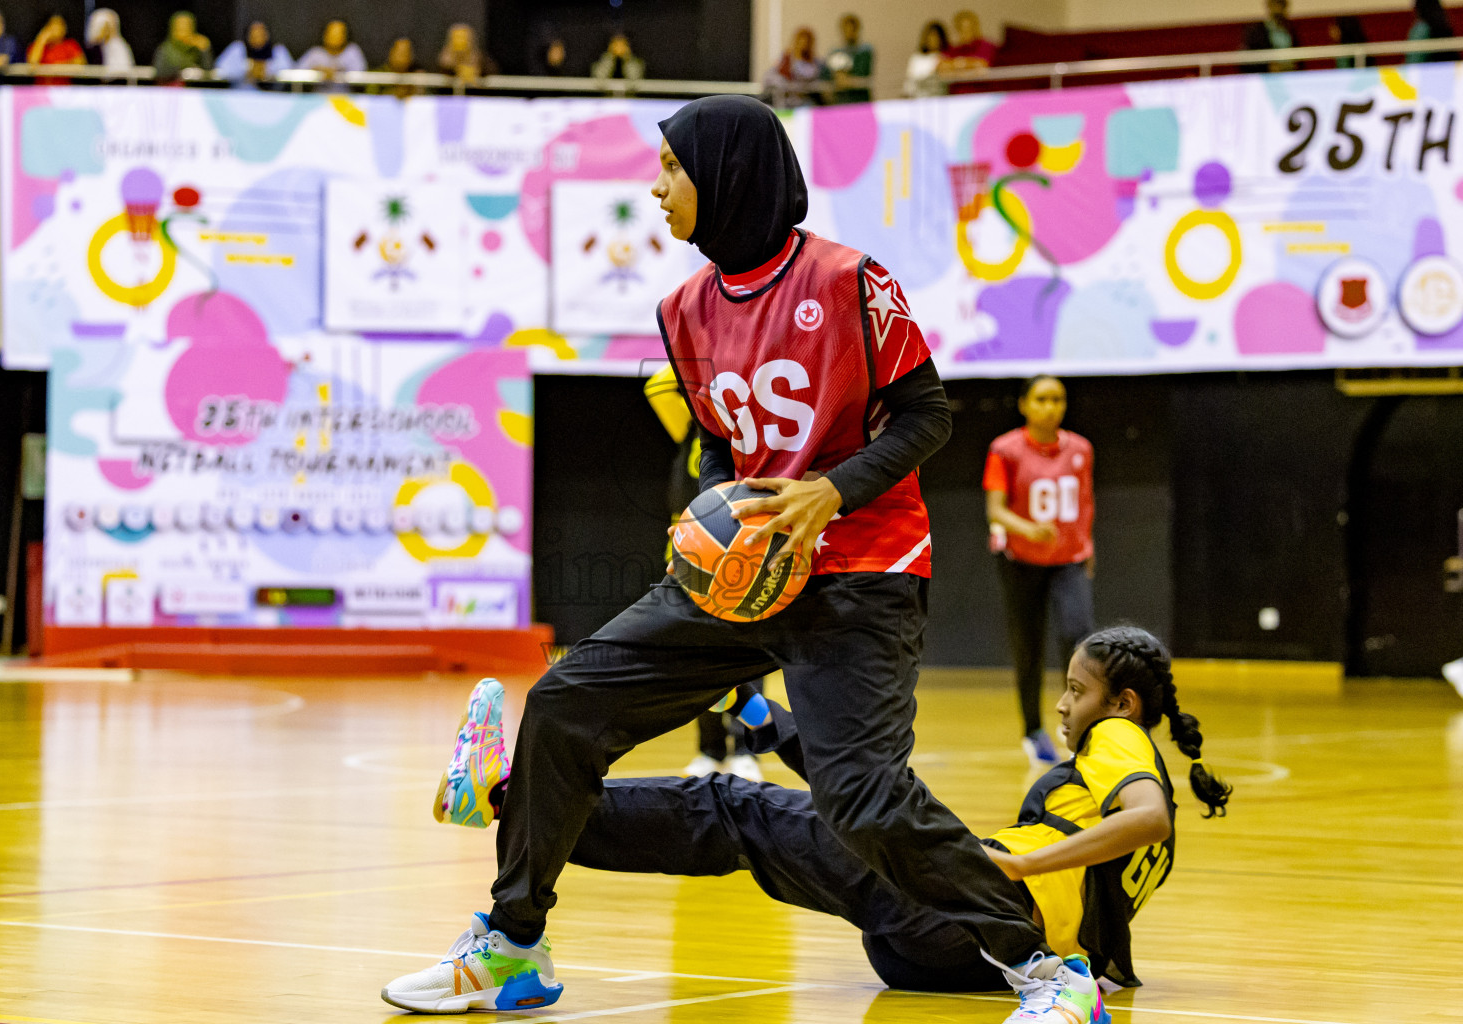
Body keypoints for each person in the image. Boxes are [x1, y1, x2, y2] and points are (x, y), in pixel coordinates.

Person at [381, 93, 1054, 1018]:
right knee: (566, 705)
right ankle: (512, 946)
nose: (656, 189)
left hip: (862, 571)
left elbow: (928, 415)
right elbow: (715, 446)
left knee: (858, 796)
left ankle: (1048, 971)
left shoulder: (853, 280)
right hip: (736, 579)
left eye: (670, 169)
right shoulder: (683, 310)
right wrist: (704, 512)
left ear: (728, 173)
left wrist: (831, 490)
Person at [435, 625, 1229, 1001]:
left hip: (963, 917)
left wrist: (1019, 865)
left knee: (736, 808)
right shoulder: (1111, 764)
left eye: (1077, 690)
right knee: (863, 799)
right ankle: (754, 714)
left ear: (1122, 703)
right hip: (944, 950)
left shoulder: (1122, 737)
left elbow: (1149, 816)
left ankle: (508, 799)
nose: (1063, 704)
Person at [643, 364, 764, 784]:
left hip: (747, 555)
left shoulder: (759, 432)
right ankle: (709, 749)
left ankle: (751, 749)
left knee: (750, 657)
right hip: (688, 553)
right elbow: (659, 383)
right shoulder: (690, 428)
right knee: (698, 655)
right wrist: (705, 352)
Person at [985, 376, 1096, 768]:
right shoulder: (1005, 450)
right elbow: (995, 510)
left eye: (1059, 399)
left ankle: (1081, 726)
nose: (1052, 406)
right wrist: (1027, 529)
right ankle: (1033, 730)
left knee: (1078, 637)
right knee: (1028, 647)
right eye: (1043, 399)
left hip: (1068, 559)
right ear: (1024, 405)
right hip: (1021, 561)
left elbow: (1085, 502)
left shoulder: (1081, 449)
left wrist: (1088, 545)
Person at [216, 21, 291, 87]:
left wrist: (266, 70)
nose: (257, 38)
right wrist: (247, 69)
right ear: (248, 36)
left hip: (273, 96)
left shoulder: (278, 50)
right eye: (254, 35)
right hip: (242, 94)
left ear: (267, 36)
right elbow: (219, 70)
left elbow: (289, 72)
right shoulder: (238, 48)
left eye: (261, 34)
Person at [764, 26, 821, 108]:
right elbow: (770, 76)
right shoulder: (785, 58)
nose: (803, 44)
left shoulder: (814, 62)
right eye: (801, 41)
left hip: (803, 101)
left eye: (806, 42)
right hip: (785, 99)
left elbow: (809, 76)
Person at [825, 13, 873, 104]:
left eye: (852, 29)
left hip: (861, 100)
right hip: (842, 100)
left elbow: (863, 75)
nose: (849, 32)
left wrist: (850, 81)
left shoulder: (865, 50)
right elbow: (840, 81)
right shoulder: (836, 52)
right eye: (846, 29)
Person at [151, 12, 212, 84]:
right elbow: (160, 72)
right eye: (180, 27)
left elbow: (209, 70)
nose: (184, 30)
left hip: (195, 91)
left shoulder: (196, 48)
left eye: (187, 26)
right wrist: (184, 69)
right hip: (170, 91)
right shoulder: (165, 49)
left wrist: (204, 49)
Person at [297, 18, 365, 81]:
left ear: (346, 36)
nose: (335, 37)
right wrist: (315, 70)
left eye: (339, 33)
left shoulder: (352, 52)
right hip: (318, 93)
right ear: (324, 35)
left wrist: (337, 71)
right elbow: (297, 72)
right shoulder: (316, 53)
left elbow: (362, 75)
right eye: (332, 33)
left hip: (345, 93)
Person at [1243, 0, 1300, 73]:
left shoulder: (1290, 29)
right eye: (1274, 5)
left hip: (1290, 72)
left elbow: (1297, 53)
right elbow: (1252, 56)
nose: (1277, 9)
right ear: (1269, 7)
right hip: (1267, 75)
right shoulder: (1257, 31)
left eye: (1280, 5)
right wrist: (1267, 66)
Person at [27, 14, 85, 83]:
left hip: (63, 90)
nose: (57, 29)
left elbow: (81, 64)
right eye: (53, 25)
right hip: (41, 90)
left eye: (60, 25)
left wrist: (58, 67)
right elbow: (32, 63)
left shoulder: (70, 45)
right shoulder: (37, 45)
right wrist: (42, 39)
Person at [904, 21, 950, 97]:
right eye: (930, 37)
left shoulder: (945, 58)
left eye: (936, 37)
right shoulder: (916, 58)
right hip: (917, 98)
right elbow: (910, 82)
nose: (932, 40)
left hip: (939, 97)